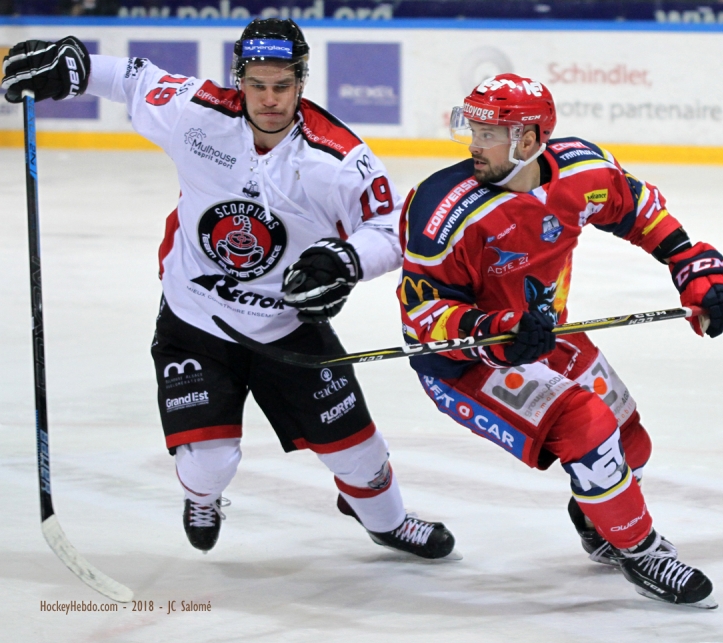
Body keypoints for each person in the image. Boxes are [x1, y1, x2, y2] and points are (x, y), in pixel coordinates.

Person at [2, 19, 455, 559]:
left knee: (359, 453)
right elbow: (130, 78)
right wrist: (73, 66)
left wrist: (344, 260)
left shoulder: (339, 159)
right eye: (257, 84)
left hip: (288, 325)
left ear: (301, 82)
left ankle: (387, 521)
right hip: (195, 319)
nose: (269, 99)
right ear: (239, 78)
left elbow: (386, 229)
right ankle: (203, 496)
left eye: (282, 86)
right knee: (208, 465)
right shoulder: (198, 114)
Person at [398, 74, 723, 607]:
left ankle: (597, 519)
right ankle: (641, 550)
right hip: (467, 363)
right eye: (473, 128)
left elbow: (642, 211)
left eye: (490, 132)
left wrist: (696, 268)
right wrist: (491, 333)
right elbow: (423, 317)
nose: (474, 143)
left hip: (547, 335)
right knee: (588, 424)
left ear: (531, 140)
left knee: (630, 440)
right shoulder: (439, 211)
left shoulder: (583, 169)